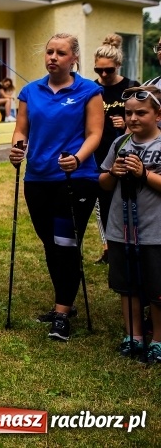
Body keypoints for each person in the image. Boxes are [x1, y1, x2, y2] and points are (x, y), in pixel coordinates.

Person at [9, 33, 104, 342]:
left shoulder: (89, 91)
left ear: (73, 58)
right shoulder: (30, 91)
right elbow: (21, 129)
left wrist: (77, 159)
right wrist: (16, 150)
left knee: (66, 244)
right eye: (49, 51)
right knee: (50, 243)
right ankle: (64, 301)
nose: (52, 57)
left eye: (60, 53)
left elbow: (94, 133)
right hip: (37, 178)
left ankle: (62, 313)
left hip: (75, 178)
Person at [98, 85, 161, 364]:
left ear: (158, 113)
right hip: (121, 229)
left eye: (141, 113)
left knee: (156, 287)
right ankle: (132, 335)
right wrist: (113, 172)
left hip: (154, 230)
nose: (133, 118)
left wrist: (144, 173)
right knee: (127, 286)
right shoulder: (120, 143)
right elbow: (103, 181)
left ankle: (158, 339)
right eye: (129, 113)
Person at [90, 35, 140, 264]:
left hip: (126, 154)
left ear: (118, 65)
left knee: (127, 201)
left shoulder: (132, 88)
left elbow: (146, 122)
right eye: (98, 70)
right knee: (102, 203)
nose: (103, 75)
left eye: (108, 70)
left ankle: (132, 245)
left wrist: (127, 124)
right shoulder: (91, 89)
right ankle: (108, 247)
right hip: (97, 154)